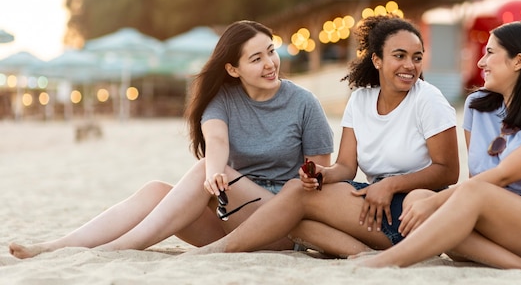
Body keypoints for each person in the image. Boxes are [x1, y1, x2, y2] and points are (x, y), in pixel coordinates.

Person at [8, 20, 335, 259]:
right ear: (233, 69)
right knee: (155, 190)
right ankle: (59, 245)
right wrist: (214, 174)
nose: (270, 64)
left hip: (281, 224)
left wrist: (216, 172)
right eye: (256, 59)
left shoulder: (304, 103)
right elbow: (217, 140)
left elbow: (320, 178)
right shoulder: (222, 99)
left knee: (204, 168)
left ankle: (120, 247)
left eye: (270, 52)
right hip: (228, 220)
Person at [186, 14, 460, 257]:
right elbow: (345, 168)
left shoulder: (428, 100)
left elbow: (449, 172)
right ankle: (363, 254)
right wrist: (321, 174)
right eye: (399, 56)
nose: (410, 66)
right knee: (295, 209)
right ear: (377, 59)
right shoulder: (360, 100)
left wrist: (391, 186)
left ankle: (223, 248)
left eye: (417, 57)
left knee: (295, 201)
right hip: (375, 200)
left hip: (417, 206)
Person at [356, 21, 521, 270]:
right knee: (417, 197)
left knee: (451, 197)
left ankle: (389, 260)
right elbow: (476, 178)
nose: (480, 62)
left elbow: (500, 177)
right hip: (495, 220)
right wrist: (428, 201)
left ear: (518, 61)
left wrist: (435, 203)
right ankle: (519, 264)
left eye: (490, 53)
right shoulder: (478, 106)